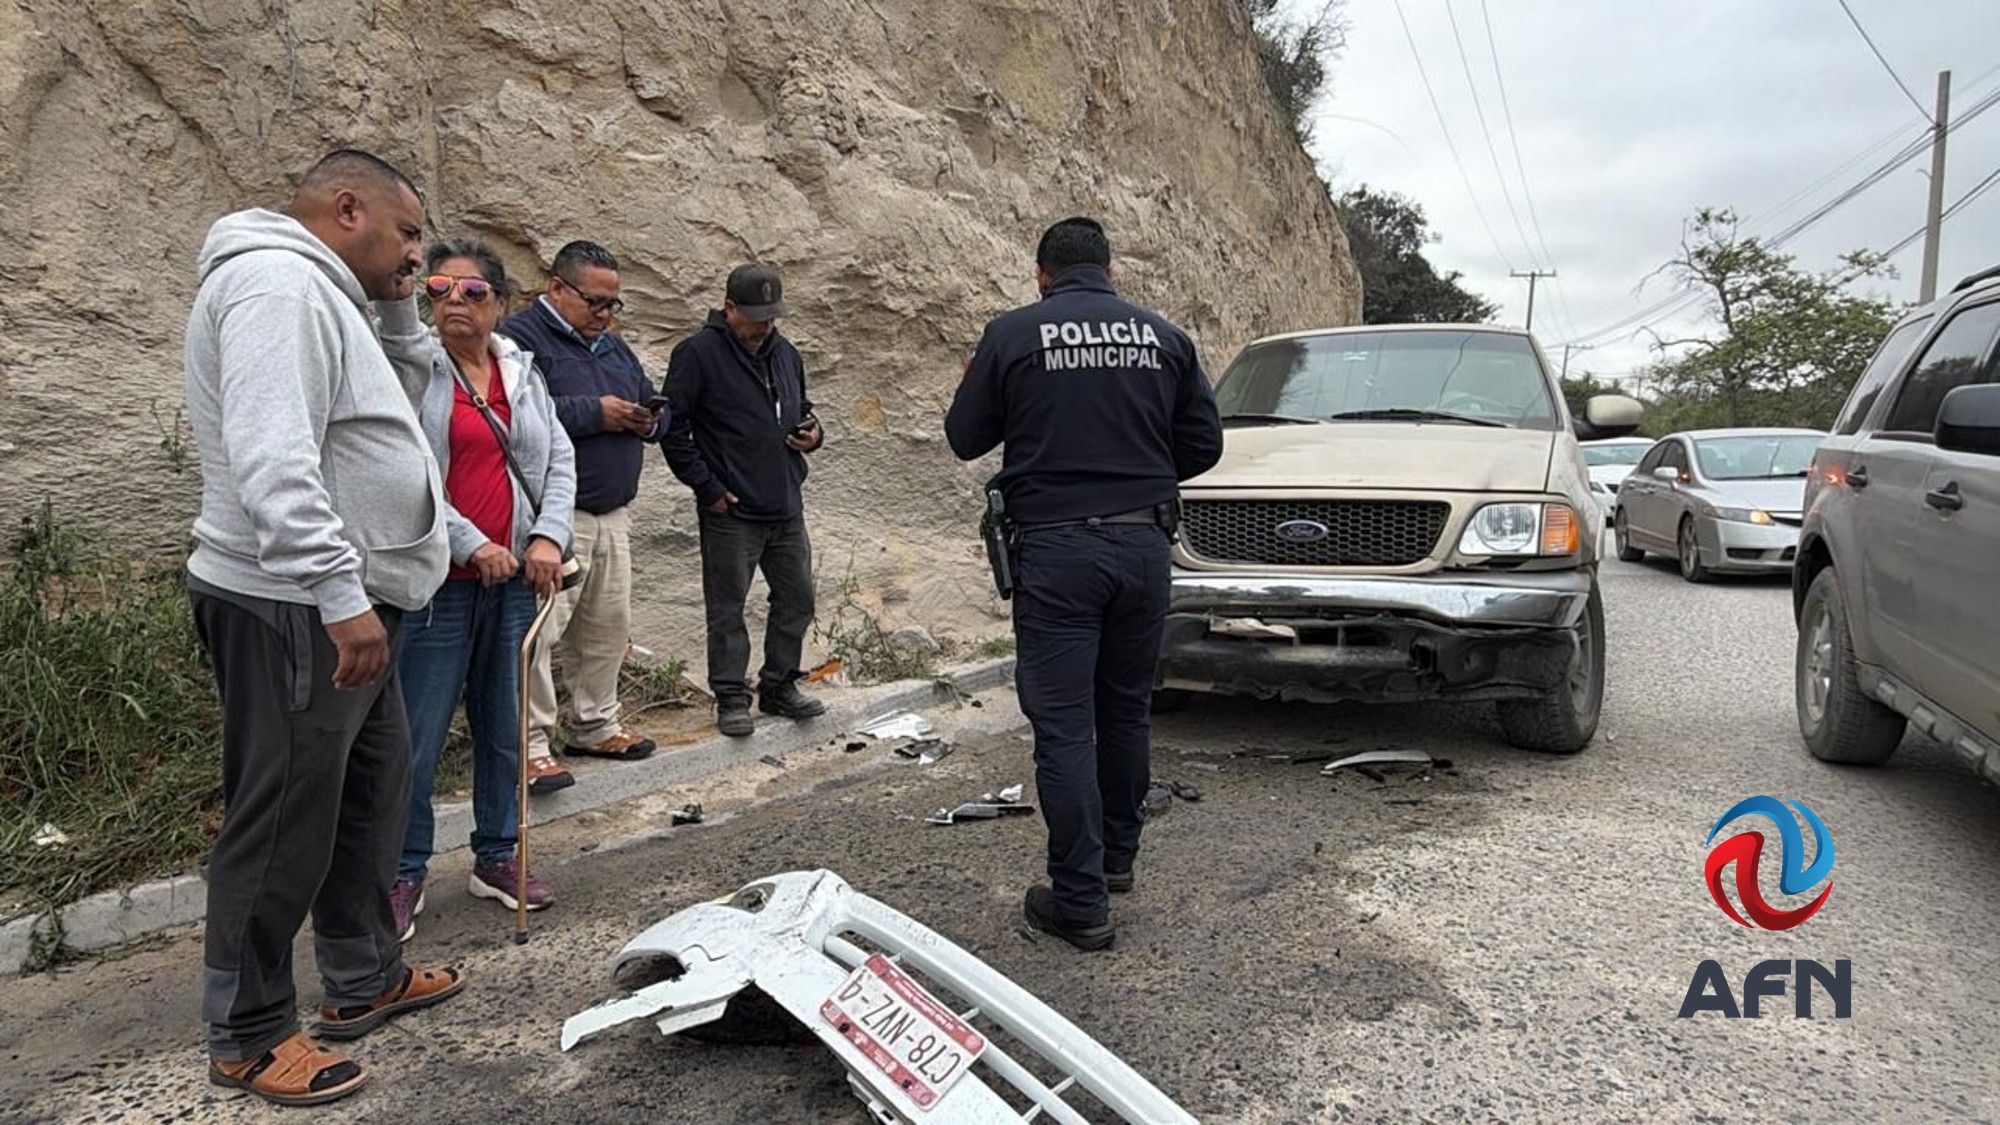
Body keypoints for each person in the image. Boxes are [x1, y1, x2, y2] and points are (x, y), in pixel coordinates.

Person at [182, 148, 466, 1107]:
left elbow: (385, 399)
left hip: (340, 595)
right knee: (285, 811)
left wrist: (393, 304)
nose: (419, 259)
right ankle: (250, 1031)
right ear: (348, 208)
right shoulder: (276, 286)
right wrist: (338, 596)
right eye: (407, 233)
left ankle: (362, 976)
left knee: (370, 787)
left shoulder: (326, 296)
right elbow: (273, 457)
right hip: (294, 600)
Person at [944, 217, 1223, 952]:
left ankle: (1081, 898)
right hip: (1142, 546)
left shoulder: (1012, 333)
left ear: (1042, 273)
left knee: (1065, 725)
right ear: (1111, 271)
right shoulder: (1163, 337)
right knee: (1126, 710)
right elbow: (1205, 444)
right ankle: (1119, 860)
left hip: (1058, 549)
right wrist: (1135, 468)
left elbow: (964, 436)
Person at [393, 240, 578, 941]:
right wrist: (472, 542)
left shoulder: (519, 371)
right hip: (440, 583)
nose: (453, 303)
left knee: (505, 728)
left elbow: (557, 459)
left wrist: (545, 540)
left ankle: (496, 855)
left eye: (472, 292)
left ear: (499, 303)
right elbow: (407, 474)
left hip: (513, 586)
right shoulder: (414, 370)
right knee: (418, 734)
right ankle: (402, 869)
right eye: (440, 287)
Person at [499, 241, 664, 792]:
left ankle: (594, 724)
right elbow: (520, 412)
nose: (605, 314)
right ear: (556, 288)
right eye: (595, 302)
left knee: (605, 626)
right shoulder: (520, 338)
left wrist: (651, 416)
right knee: (540, 632)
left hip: (613, 507)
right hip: (555, 512)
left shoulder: (611, 347)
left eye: (613, 304)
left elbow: (646, 396)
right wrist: (597, 413)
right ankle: (530, 745)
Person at [662, 263, 828, 737]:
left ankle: (779, 686)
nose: (764, 326)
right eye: (755, 317)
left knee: (798, 598)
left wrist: (812, 436)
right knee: (728, 606)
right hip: (730, 510)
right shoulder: (696, 354)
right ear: (729, 308)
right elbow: (674, 429)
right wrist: (707, 488)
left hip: (784, 502)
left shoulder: (786, 353)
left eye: (772, 317)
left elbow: (803, 408)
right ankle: (731, 695)